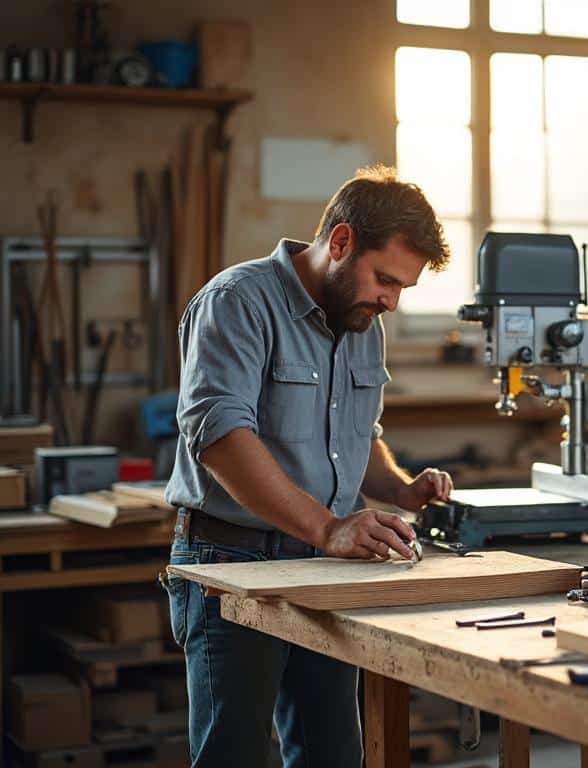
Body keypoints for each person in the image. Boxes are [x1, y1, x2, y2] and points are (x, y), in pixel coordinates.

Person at [162, 165, 453, 767]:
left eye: (403, 288)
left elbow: (354, 438)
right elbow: (220, 439)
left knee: (332, 754)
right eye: (385, 280)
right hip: (232, 561)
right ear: (340, 242)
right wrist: (329, 527)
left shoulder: (361, 321)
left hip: (324, 567)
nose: (391, 301)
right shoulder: (237, 302)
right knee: (232, 756)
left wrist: (400, 490)